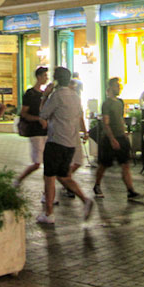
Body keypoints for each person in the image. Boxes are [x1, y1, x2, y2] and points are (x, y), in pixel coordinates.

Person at [36, 67, 94, 225]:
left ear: (55, 80)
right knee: (64, 176)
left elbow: (43, 114)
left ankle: (48, 213)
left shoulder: (56, 96)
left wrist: (44, 96)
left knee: (49, 177)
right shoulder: (75, 96)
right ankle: (85, 199)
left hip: (55, 141)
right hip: (70, 142)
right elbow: (79, 115)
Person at [93, 77, 142, 199]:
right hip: (110, 138)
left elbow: (120, 119)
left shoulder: (120, 102)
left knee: (125, 163)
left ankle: (130, 190)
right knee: (104, 164)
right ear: (110, 88)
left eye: (119, 85)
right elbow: (106, 122)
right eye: (116, 85)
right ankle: (97, 184)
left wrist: (124, 133)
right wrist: (112, 138)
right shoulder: (107, 104)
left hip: (121, 136)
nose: (119, 87)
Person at [14, 66, 49, 186]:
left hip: (45, 131)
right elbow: (24, 113)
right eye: (44, 76)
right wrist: (38, 119)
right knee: (37, 163)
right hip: (35, 131)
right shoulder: (30, 94)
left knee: (47, 163)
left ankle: (47, 190)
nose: (46, 78)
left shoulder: (44, 94)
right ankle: (19, 179)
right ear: (39, 77)